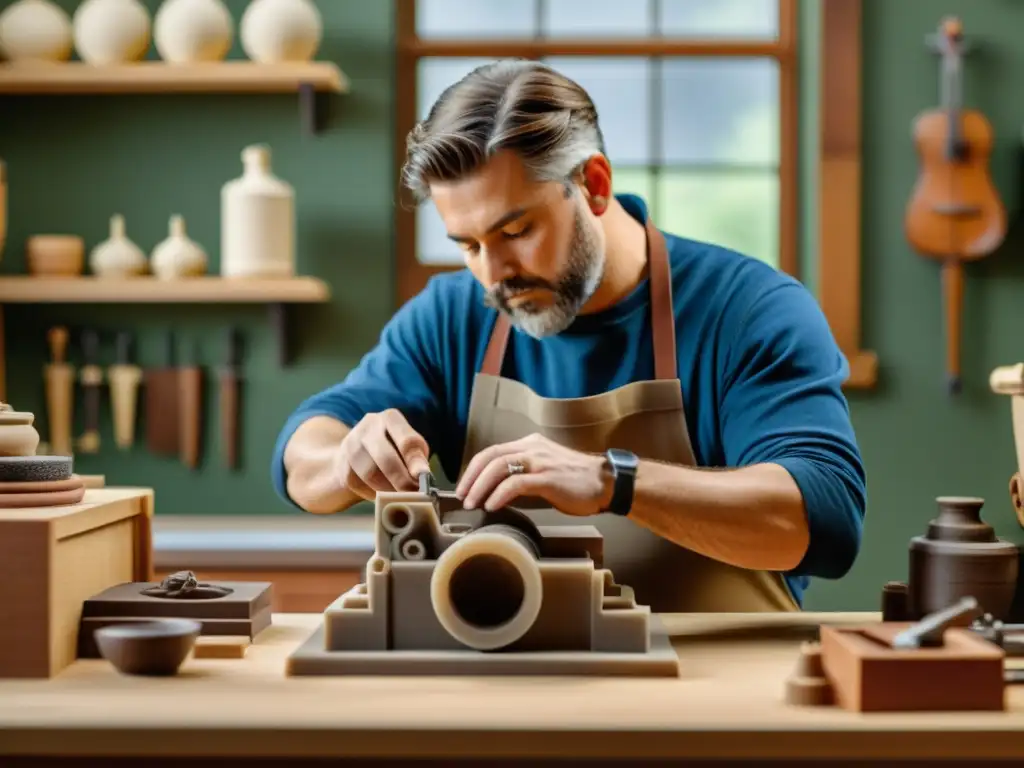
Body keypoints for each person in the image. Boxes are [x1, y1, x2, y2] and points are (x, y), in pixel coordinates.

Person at [271, 59, 866, 612]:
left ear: (596, 186)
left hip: (722, 695)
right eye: (469, 245)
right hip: (521, 692)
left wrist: (614, 481)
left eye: (518, 230)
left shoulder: (750, 310)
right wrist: (347, 461)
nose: (494, 273)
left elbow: (825, 518)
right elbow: (305, 449)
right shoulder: (452, 316)